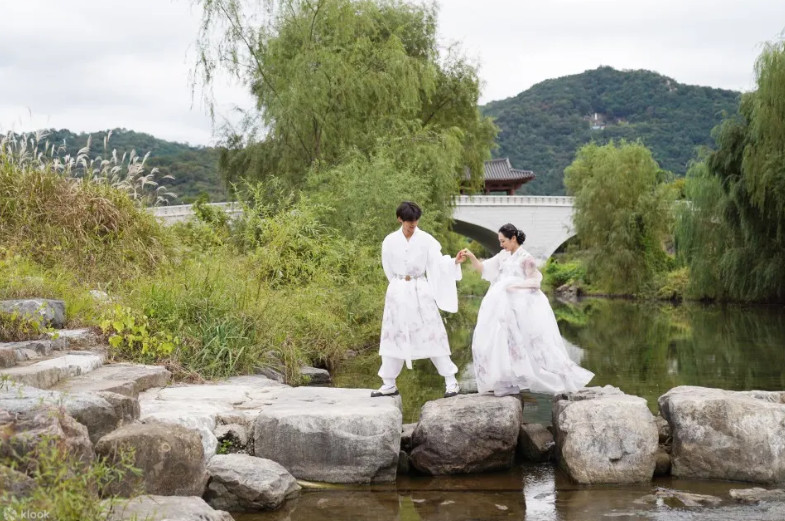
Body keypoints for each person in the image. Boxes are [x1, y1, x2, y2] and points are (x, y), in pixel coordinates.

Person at [461, 224, 594, 397]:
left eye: (503, 241)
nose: (501, 245)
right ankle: (506, 380)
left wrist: (513, 286)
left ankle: (555, 377)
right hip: (501, 306)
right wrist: (471, 256)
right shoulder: (503, 256)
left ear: (513, 238)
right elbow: (483, 269)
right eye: (500, 241)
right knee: (500, 340)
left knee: (531, 342)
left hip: (520, 305)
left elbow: (535, 283)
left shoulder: (527, 258)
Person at [372, 201, 467, 399]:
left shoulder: (426, 240)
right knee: (393, 334)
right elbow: (387, 267)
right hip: (397, 291)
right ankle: (388, 383)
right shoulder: (389, 241)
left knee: (433, 333)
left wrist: (454, 262)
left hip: (420, 290)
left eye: (415, 222)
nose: (413, 225)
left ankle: (451, 380)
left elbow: (438, 263)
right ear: (400, 219)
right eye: (409, 222)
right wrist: (399, 285)